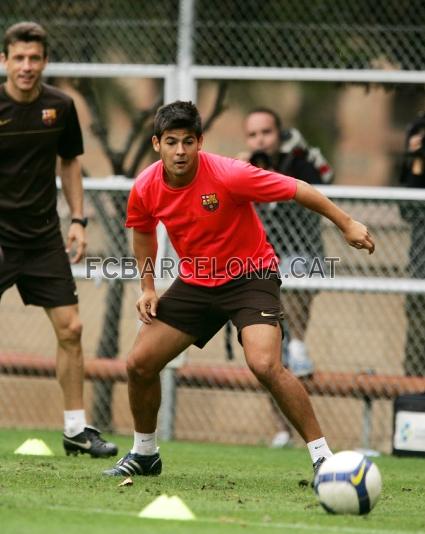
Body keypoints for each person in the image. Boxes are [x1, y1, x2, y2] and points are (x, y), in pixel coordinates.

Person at [104, 100, 374, 478]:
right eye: (171, 142)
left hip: (251, 275)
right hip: (196, 281)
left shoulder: (229, 174)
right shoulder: (146, 185)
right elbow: (144, 232)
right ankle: (145, 454)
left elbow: (298, 189)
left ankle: (324, 458)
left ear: (200, 141)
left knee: (264, 364)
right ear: (156, 144)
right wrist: (147, 287)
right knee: (139, 364)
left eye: (187, 141)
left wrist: (346, 224)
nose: (180, 151)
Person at [0, 22, 117, 458]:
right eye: (19, 58)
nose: (26, 66)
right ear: (4, 61)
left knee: (72, 328)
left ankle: (74, 429)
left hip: (42, 239)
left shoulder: (60, 107)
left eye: (34, 58)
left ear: (44, 62)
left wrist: (79, 220)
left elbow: (69, 163)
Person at [241, 108, 333, 379]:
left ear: (280, 135)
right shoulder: (246, 167)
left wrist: (290, 160)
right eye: (252, 135)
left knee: (297, 272)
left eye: (266, 133)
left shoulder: (298, 162)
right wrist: (240, 168)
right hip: (260, 259)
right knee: (271, 360)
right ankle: (280, 423)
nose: (260, 141)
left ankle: (298, 346)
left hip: (302, 254)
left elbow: (323, 182)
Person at [399, 113, 425, 376]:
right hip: (422, 270)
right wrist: (417, 161)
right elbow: (407, 210)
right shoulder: (419, 127)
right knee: (416, 361)